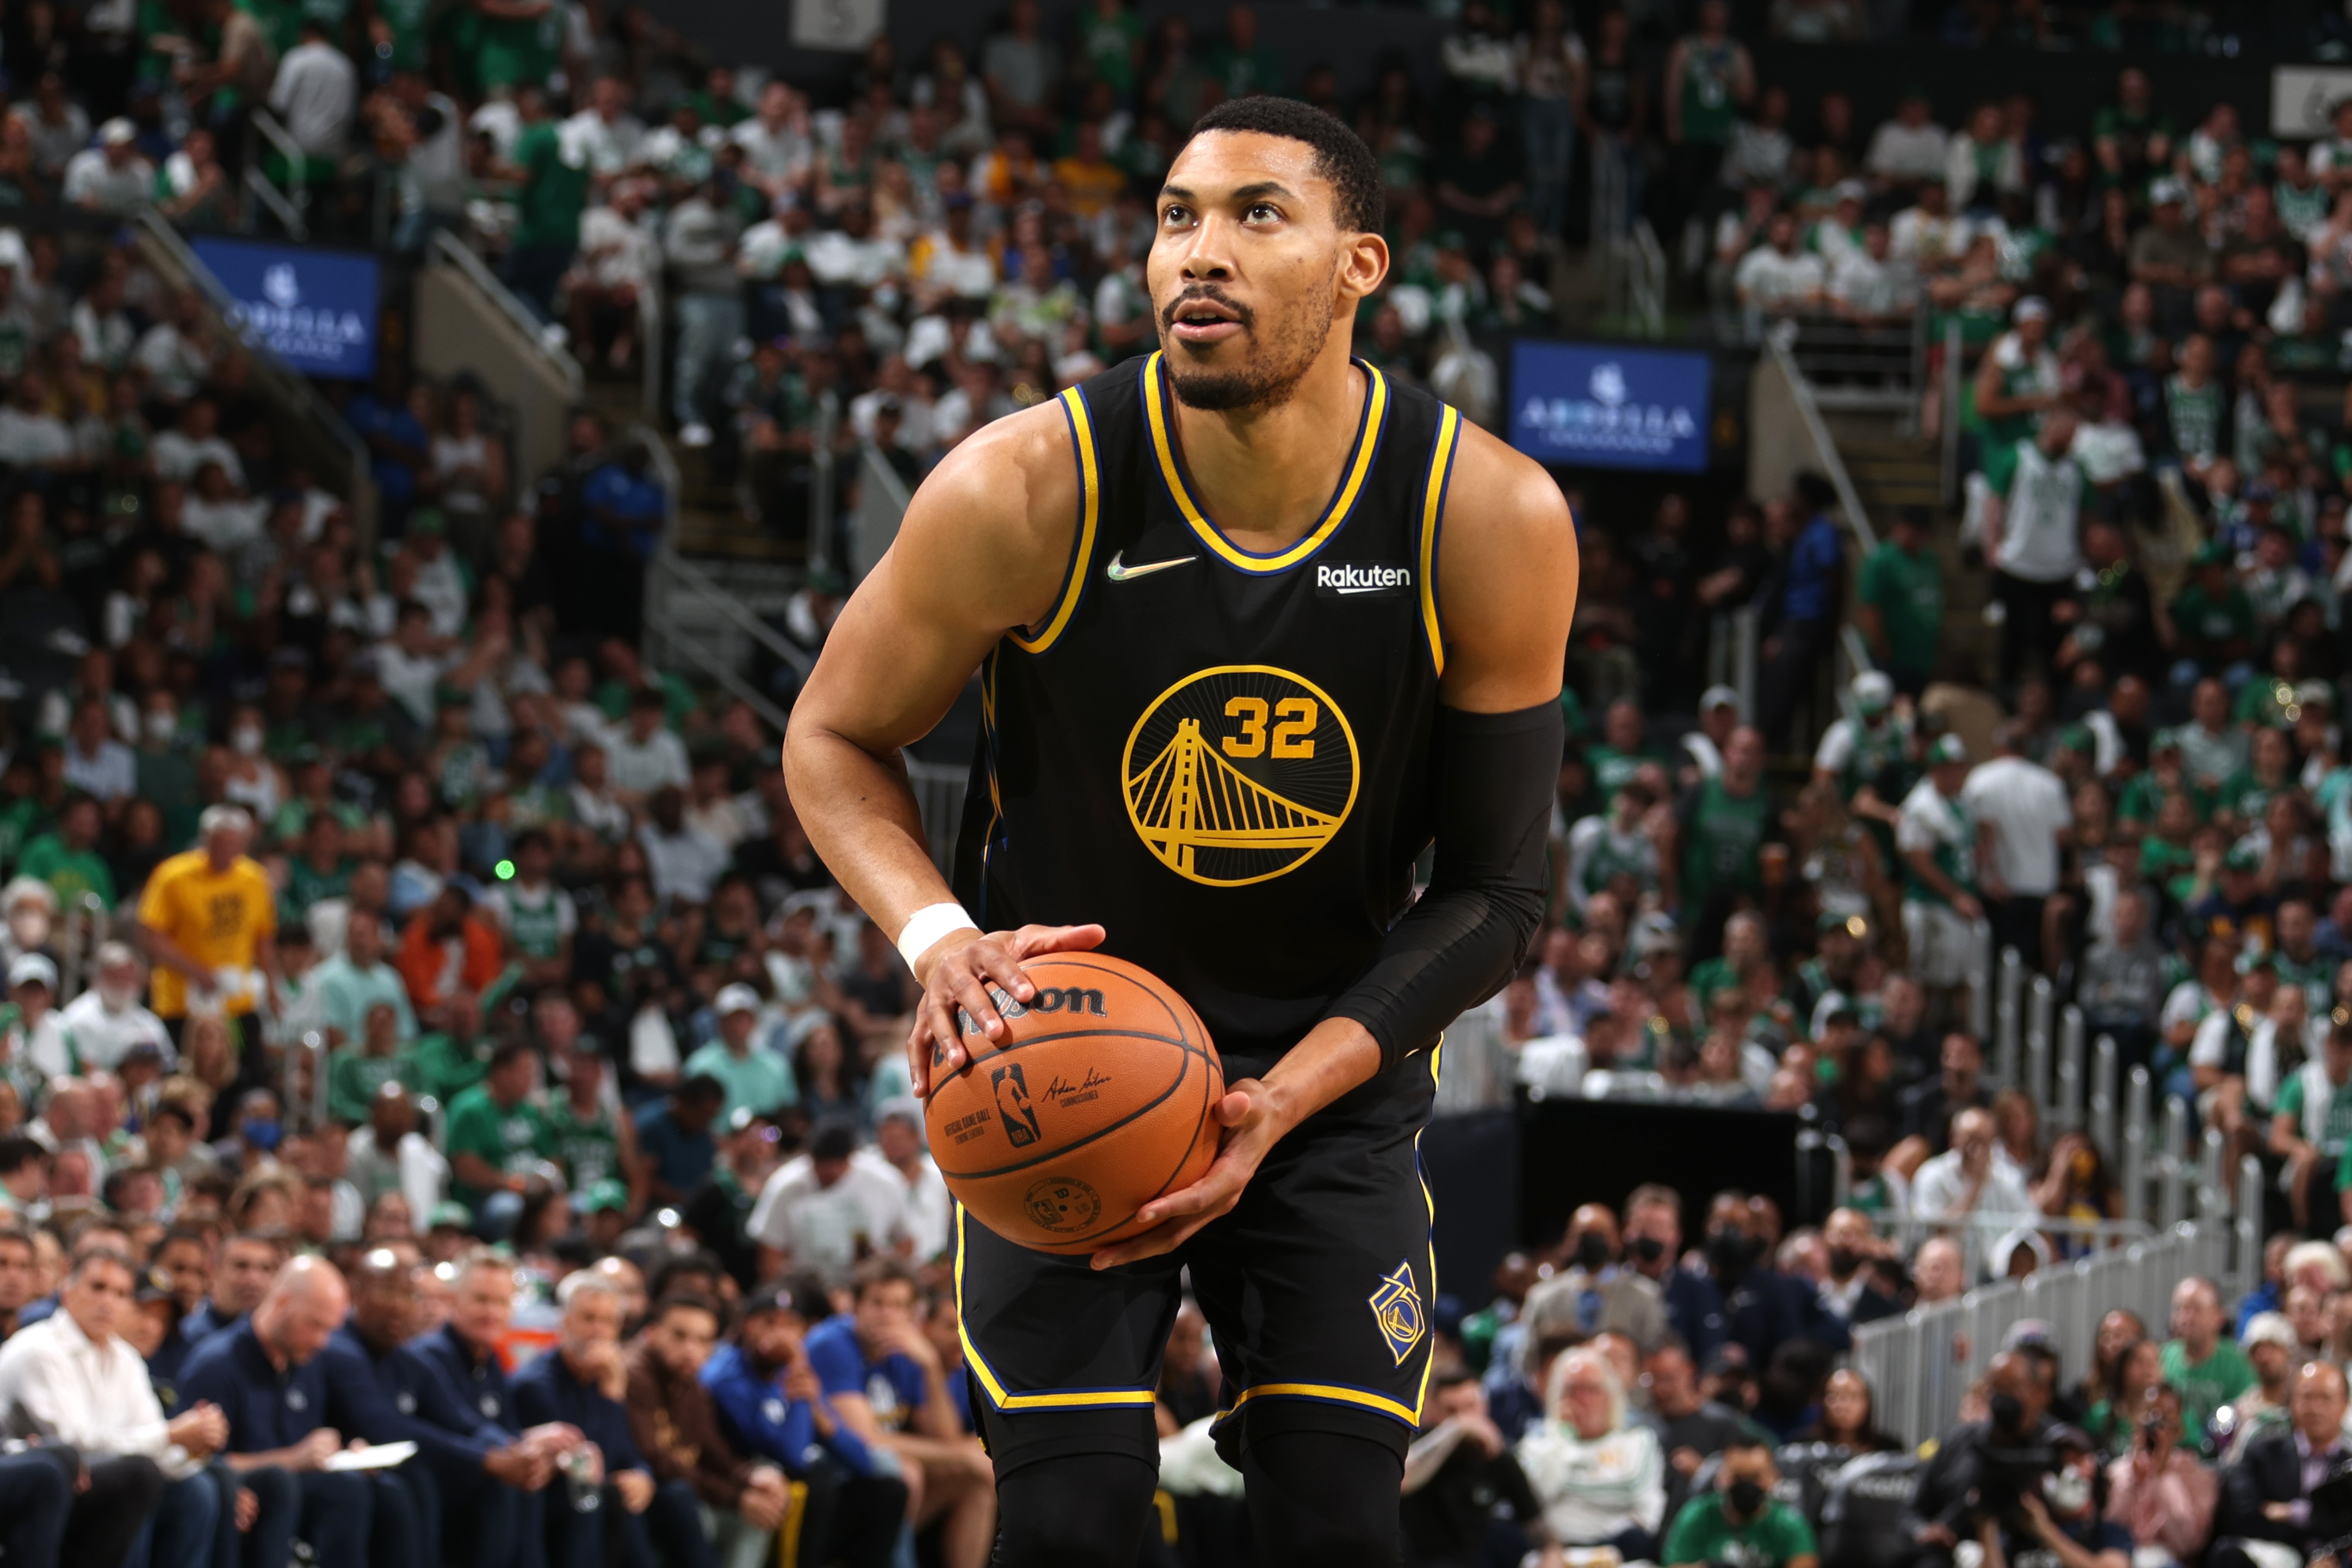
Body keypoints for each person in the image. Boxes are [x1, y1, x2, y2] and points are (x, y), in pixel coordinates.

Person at [781, 96, 1575, 1563]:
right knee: (1070, 1524)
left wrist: (1286, 1094)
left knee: (1336, 1525)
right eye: (1174, 216)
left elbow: (1497, 890)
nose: (1197, 254)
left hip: (1324, 1077)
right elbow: (829, 735)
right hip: (1067, 1056)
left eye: (1256, 213)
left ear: (1360, 265)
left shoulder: (1482, 513)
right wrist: (939, 940)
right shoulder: (1022, 486)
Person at [0, 1245, 221, 1568]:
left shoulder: (124, 1357)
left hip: (95, 1481)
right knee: (136, 1477)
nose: (108, 1302)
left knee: (200, 1487)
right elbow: (80, 1446)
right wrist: (172, 1436)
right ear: (68, 1289)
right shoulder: (40, 1350)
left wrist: (194, 1449)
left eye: (121, 1293)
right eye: (98, 1287)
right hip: (51, 1483)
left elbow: (153, 1436)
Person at [177, 1255, 377, 1568]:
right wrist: (295, 1458)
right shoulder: (216, 1365)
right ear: (282, 1303)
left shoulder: (305, 1361)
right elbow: (201, 1464)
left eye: (330, 1330)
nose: (323, 1342)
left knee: (368, 1489)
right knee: (279, 1485)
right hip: (247, 1494)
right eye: (315, 1326)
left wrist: (347, 1451)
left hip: (297, 1489)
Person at [701, 1278, 908, 1568]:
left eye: (789, 1325)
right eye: (769, 1322)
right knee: (817, 1481)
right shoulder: (726, 1377)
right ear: (746, 1324)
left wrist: (822, 1417)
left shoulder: (791, 1371)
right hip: (742, 1486)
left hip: (793, 1497)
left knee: (888, 1489)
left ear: (803, 1331)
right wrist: (800, 1373)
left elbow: (862, 1460)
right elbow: (792, 1455)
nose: (779, 1335)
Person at [804, 1257, 995, 1567]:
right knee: (908, 1472)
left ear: (911, 1313)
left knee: (973, 1482)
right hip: (835, 1480)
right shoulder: (833, 1344)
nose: (887, 1315)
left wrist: (930, 1366)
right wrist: (962, 1456)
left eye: (898, 1305)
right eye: (877, 1303)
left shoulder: (904, 1347)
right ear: (855, 1306)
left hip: (886, 1491)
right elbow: (867, 1441)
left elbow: (944, 1436)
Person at [512, 1271, 711, 1568]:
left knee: (677, 1497)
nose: (598, 1331)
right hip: (558, 1503)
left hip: (602, 1496)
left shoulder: (603, 1376)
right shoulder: (537, 1385)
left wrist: (642, 1476)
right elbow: (590, 1461)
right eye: (589, 1318)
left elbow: (627, 1453)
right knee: (608, 1496)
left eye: (608, 1322)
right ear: (564, 1322)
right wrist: (613, 1396)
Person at [624, 1292, 796, 1568]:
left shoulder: (694, 1385)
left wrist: (752, 1476)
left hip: (692, 1493)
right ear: (653, 1333)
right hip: (649, 1502)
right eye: (680, 1336)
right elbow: (660, 1463)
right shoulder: (635, 1376)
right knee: (683, 1500)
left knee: (765, 1499)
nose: (691, 1349)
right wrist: (736, 1497)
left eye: (703, 1341)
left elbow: (714, 1450)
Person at [136, 804, 277, 1086]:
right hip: (181, 1002)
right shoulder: (172, 875)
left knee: (249, 1079)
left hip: (236, 1001)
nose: (227, 850)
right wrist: (198, 972)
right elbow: (150, 935)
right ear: (206, 839)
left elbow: (263, 937)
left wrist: (273, 986)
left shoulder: (255, 878)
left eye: (234, 843)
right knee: (180, 1079)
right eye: (221, 842)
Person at [1515, 1345, 1666, 1561]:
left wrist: (1574, 1486)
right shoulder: (1537, 1445)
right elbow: (1537, 1498)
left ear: (1610, 1395)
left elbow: (1646, 1507)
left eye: (1591, 1390)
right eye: (1571, 1390)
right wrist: (1561, 1438)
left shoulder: (1638, 1441)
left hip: (1618, 1548)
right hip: (1554, 1548)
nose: (1581, 1399)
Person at [1401, 1371, 1552, 1568]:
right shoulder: (1420, 1446)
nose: (1465, 1419)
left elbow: (1541, 1534)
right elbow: (1403, 1481)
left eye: (1470, 1407)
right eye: (1451, 1411)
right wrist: (1455, 1430)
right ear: (1431, 1412)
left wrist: (1550, 1558)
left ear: (1485, 1407)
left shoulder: (1496, 1456)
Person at [2211, 1361, 2352, 1568]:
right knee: (2227, 1552)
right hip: (2272, 1555)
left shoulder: (2349, 1464)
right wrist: (2309, 1538)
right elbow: (2242, 1515)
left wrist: (2292, 1513)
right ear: (2292, 1402)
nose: (2315, 1408)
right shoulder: (2262, 1450)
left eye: (2325, 1398)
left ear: (2344, 1405)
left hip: (2335, 1560)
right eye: (2307, 1397)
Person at [1662, 1433, 1817, 1568]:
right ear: (1721, 1477)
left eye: (1755, 1477)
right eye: (1738, 1477)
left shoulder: (1789, 1525)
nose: (1746, 1485)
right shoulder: (1697, 1515)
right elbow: (1674, 1564)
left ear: (1774, 1478)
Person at [2103, 1384, 2217, 1568]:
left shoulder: (2200, 1475)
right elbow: (2112, 1529)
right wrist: (2133, 1476)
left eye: (2166, 1417)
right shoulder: (2120, 1470)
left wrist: (2164, 1475)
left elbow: (2187, 1543)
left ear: (2180, 1429)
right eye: (2151, 1415)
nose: (2157, 1425)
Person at [2161, 1277, 2255, 1450]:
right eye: (2179, 1309)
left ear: (2219, 1317)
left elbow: (2247, 1417)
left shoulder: (2237, 1363)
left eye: (2196, 1309)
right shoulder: (2163, 1357)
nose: (2185, 1317)